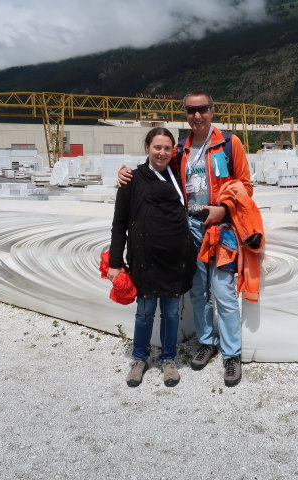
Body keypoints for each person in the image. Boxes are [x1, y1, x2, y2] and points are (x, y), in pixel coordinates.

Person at [118, 90, 253, 387]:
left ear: (212, 110)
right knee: (197, 292)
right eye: (191, 111)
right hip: (190, 229)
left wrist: (224, 208)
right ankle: (206, 342)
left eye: (202, 109)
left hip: (223, 230)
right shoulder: (182, 149)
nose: (197, 115)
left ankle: (232, 355)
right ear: (186, 114)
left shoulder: (229, 144)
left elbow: (245, 186)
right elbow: (158, 166)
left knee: (224, 293)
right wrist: (124, 173)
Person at [108, 127, 195, 388]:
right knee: (144, 312)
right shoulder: (131, 180)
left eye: (167, 148)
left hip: (174, 259)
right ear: (147, 147)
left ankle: (168, 359)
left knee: (170, 312)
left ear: (173, 151)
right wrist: (115, 262)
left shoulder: (178, 178)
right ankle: (139, 358)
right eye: (157, 147)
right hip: (144, 259)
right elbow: (119, 223)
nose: (162, 152)